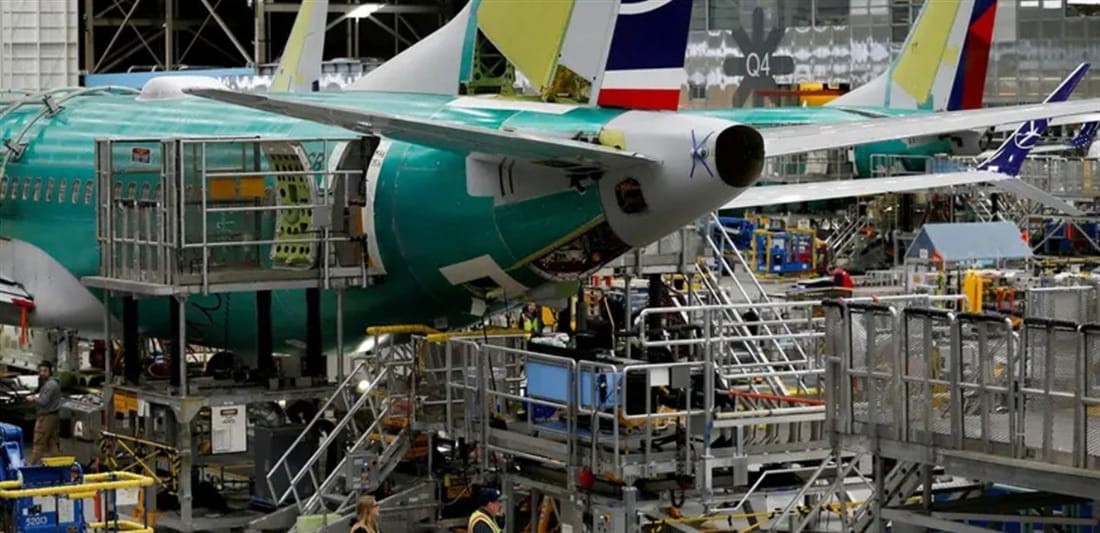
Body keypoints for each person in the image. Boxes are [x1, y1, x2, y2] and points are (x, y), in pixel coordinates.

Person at [26, 361, 61, 464]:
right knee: (52, 442)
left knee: (39, 442)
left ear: (50, 371)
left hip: (46, 417)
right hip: (53, 416)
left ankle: (34, 466)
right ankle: (58, 465)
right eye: (40, 371)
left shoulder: (50, 385)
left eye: (45, 371)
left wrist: (33, 399)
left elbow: (43, 401)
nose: (42, 373)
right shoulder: (53, 383)